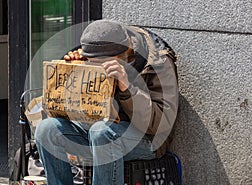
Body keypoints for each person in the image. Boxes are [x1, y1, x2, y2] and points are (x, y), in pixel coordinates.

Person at [35, 19, 179, 185]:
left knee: (102, 132)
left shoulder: (158, 64)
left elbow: (161, 123)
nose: (98, 68)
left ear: (124, 55)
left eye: (103, 64)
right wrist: (74, 70)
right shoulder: (94, 51)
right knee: (47, 129)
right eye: (92, 63)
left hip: (146, 140)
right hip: (96, 130)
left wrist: (127, 89)